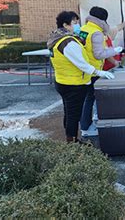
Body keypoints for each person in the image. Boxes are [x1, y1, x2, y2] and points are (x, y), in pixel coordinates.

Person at [47, 11, 114, 143]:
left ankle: (71, 138)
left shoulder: (57, 39)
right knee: (73, 114)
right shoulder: (68, 42)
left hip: (63, 81)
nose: (78, 25)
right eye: (74, 23)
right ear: (65, 25)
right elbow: (81, 64)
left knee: (69, 112)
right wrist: (100, 72)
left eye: (78, 22)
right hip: (73, 84)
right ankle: (72, 141)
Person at [78, 7, 123, 137]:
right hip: (93, 70)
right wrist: (115, 50)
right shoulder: (97, 33)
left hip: (85, 69)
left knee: (87, 99)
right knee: (90, 99)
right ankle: (86, 127)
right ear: (103, 19)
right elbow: (99, 54)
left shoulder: (84, 29)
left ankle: (85, 125)